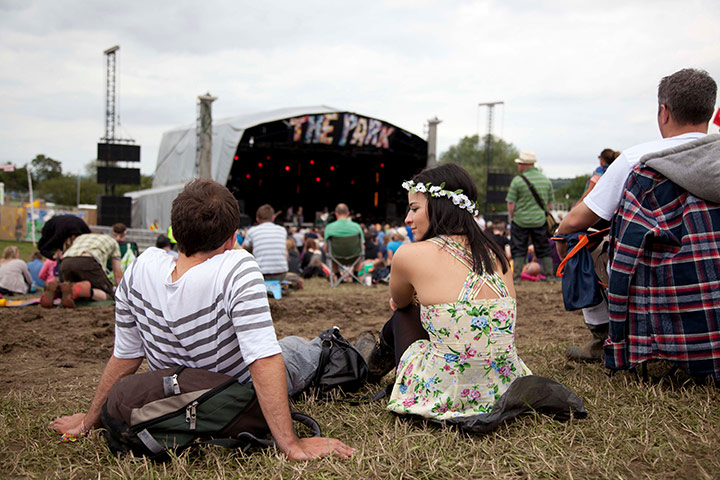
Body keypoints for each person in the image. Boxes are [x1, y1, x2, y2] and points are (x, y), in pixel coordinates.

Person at [49, 179, 354, 460]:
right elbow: (263, 359)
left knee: (286, 346)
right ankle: (328, 343)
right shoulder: (236, 268)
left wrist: (88, 422)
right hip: (232, 391)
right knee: (300, 349)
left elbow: (126, 355)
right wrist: (292, 445)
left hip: (179, 394)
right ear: (232, 238)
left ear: (175, 230)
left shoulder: (141, 268)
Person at [557, 68, 717, 363]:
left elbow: (577, 220)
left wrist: (560, 233)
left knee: (581, 240)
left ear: (664, 112)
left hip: (657, 287)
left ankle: (601, 337)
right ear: (709, 110)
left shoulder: (637, 159)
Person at [372, 163, 531, 419]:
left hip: (446, 393)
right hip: (504, 388)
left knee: (404, 313)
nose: (407, 219)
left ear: (438, 206)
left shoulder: (410, 254)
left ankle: (370, 367)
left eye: (414, 209)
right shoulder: (495, 253)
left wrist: (414, 299)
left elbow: (399, 302)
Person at [505, 151, 555, 282]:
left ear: (525, 165)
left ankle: (516, 278)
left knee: (518, 248)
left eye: (519, 164)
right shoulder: (545, 180)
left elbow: (511, 203)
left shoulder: (517, 181)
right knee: (544, 247)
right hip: (540, 220)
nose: (518, 166)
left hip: (520, 220)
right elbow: (549, 203)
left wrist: (512, 217)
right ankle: (550, 276)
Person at [41, 232, 122, 308]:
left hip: (66, 262)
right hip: (87, 261)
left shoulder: (81, 237)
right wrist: (122, 292)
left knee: (69, 290)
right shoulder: (113, 242)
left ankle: (58, 290)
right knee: (109, 294)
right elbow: (117, 274)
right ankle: (75, 289)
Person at [243, 204, 288, 281]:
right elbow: (286, 253)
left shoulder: (252, 231)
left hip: (261, 273)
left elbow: (243, 249)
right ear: (273, 218)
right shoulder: (282, 230)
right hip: (281, 272)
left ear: (257, 219)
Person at [323, 203, 364, 275]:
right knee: (360, 251)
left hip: (336, 257)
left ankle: (338, 276)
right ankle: (355, 275)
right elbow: (363, 246)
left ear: (336, 213)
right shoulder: (357, 227)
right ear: (348, 213)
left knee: (331, 252)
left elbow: (326, 249)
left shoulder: (329, 228)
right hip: (354, 257)